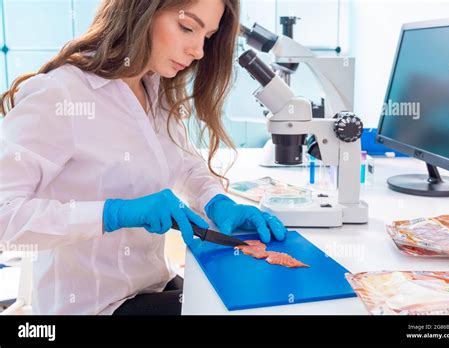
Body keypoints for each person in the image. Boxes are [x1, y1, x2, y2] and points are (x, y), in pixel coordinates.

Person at [0, 0, 287, 315]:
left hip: (150, 286)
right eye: (187, 27)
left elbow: (186, 165)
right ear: (140, 12)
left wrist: (217, 201)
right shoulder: (61, 94)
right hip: (93, 306)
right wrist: (114, 214)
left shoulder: (153, 88)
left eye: (207, 36)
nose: (199, 51)